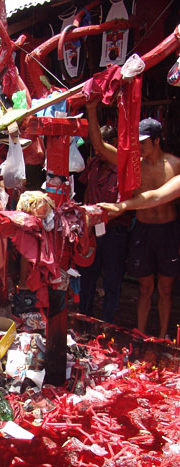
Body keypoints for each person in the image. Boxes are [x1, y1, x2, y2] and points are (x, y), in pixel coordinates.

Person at [86, 102, 180, 338]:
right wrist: (91, 109)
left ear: (157, 140)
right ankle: (140, 333)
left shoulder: (175, 165)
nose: (138, 146)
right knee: (145, 288)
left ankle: (162, 336)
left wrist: (121, 206)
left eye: (144, 142)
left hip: (168, 230)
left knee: (166, 289)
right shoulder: (133, 164)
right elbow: (99, 145)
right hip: (143, 230)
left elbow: (156, 197)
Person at [78, 125, 131, 324]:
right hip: (91, 230)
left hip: (114, 231)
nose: (98, 152)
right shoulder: (92, 164)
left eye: (102, 148)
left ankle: (108, 323)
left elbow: (126, 203)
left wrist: (103, 216)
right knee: (87, 275)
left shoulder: (123, 170)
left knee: (112, 278)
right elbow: (86, 192)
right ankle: (84, 318)